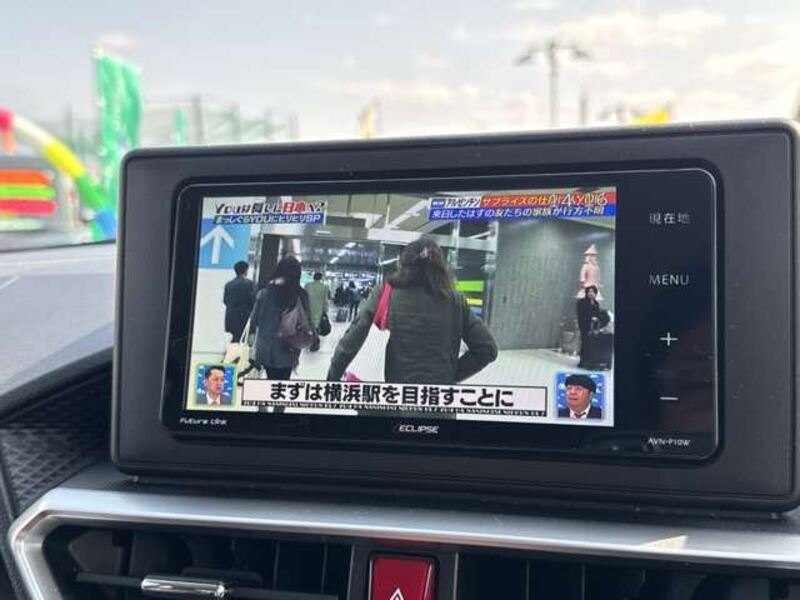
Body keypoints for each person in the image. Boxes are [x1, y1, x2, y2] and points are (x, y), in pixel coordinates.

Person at [327, 238, 498, 384]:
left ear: (402, 264)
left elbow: (351, 341)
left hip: (386, 394)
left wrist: (332, 379)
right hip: (435, 401)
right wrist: (450, 376)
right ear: (441, 267)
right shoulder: (455, 301)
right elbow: (487, 349)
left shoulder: (385, 293)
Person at [251, 256, 312, 380]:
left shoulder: (264, 293)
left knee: (270, 379)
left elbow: (255, 319)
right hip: (288, 347)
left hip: (265, 348)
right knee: (282, 381)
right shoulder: (299, 295)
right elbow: (307, 321)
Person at [223, 261, 256, 342]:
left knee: (233, 341)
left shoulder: (228, 284)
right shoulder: (250, 284)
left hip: (230, 317)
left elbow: (225, 301)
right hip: (244, 318)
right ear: (246, 270)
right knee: (243, 342)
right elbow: (253, 301)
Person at [576, 284, 601, 369]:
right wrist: (591, 317)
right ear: (586, 293)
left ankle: (589, 361)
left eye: (593, 292)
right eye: (589, 291)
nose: (591, 293)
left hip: (593, 327)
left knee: (591, 344)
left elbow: (598, 314)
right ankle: (582, 361)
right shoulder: (582, 302)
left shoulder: (596, 303)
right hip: (584, 326)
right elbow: (581, 314)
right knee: (584, 343)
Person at [304, 272, 329, 351]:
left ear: (313, 277)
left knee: (309, 325)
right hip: (319, 309)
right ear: (320, 278)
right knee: (316, 326)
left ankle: (310, 341)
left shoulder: (307, 285)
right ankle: (315, 342)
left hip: (308, 309)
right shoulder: (324, 287)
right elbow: (325, 300)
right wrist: (325, 310)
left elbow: (304, 298)